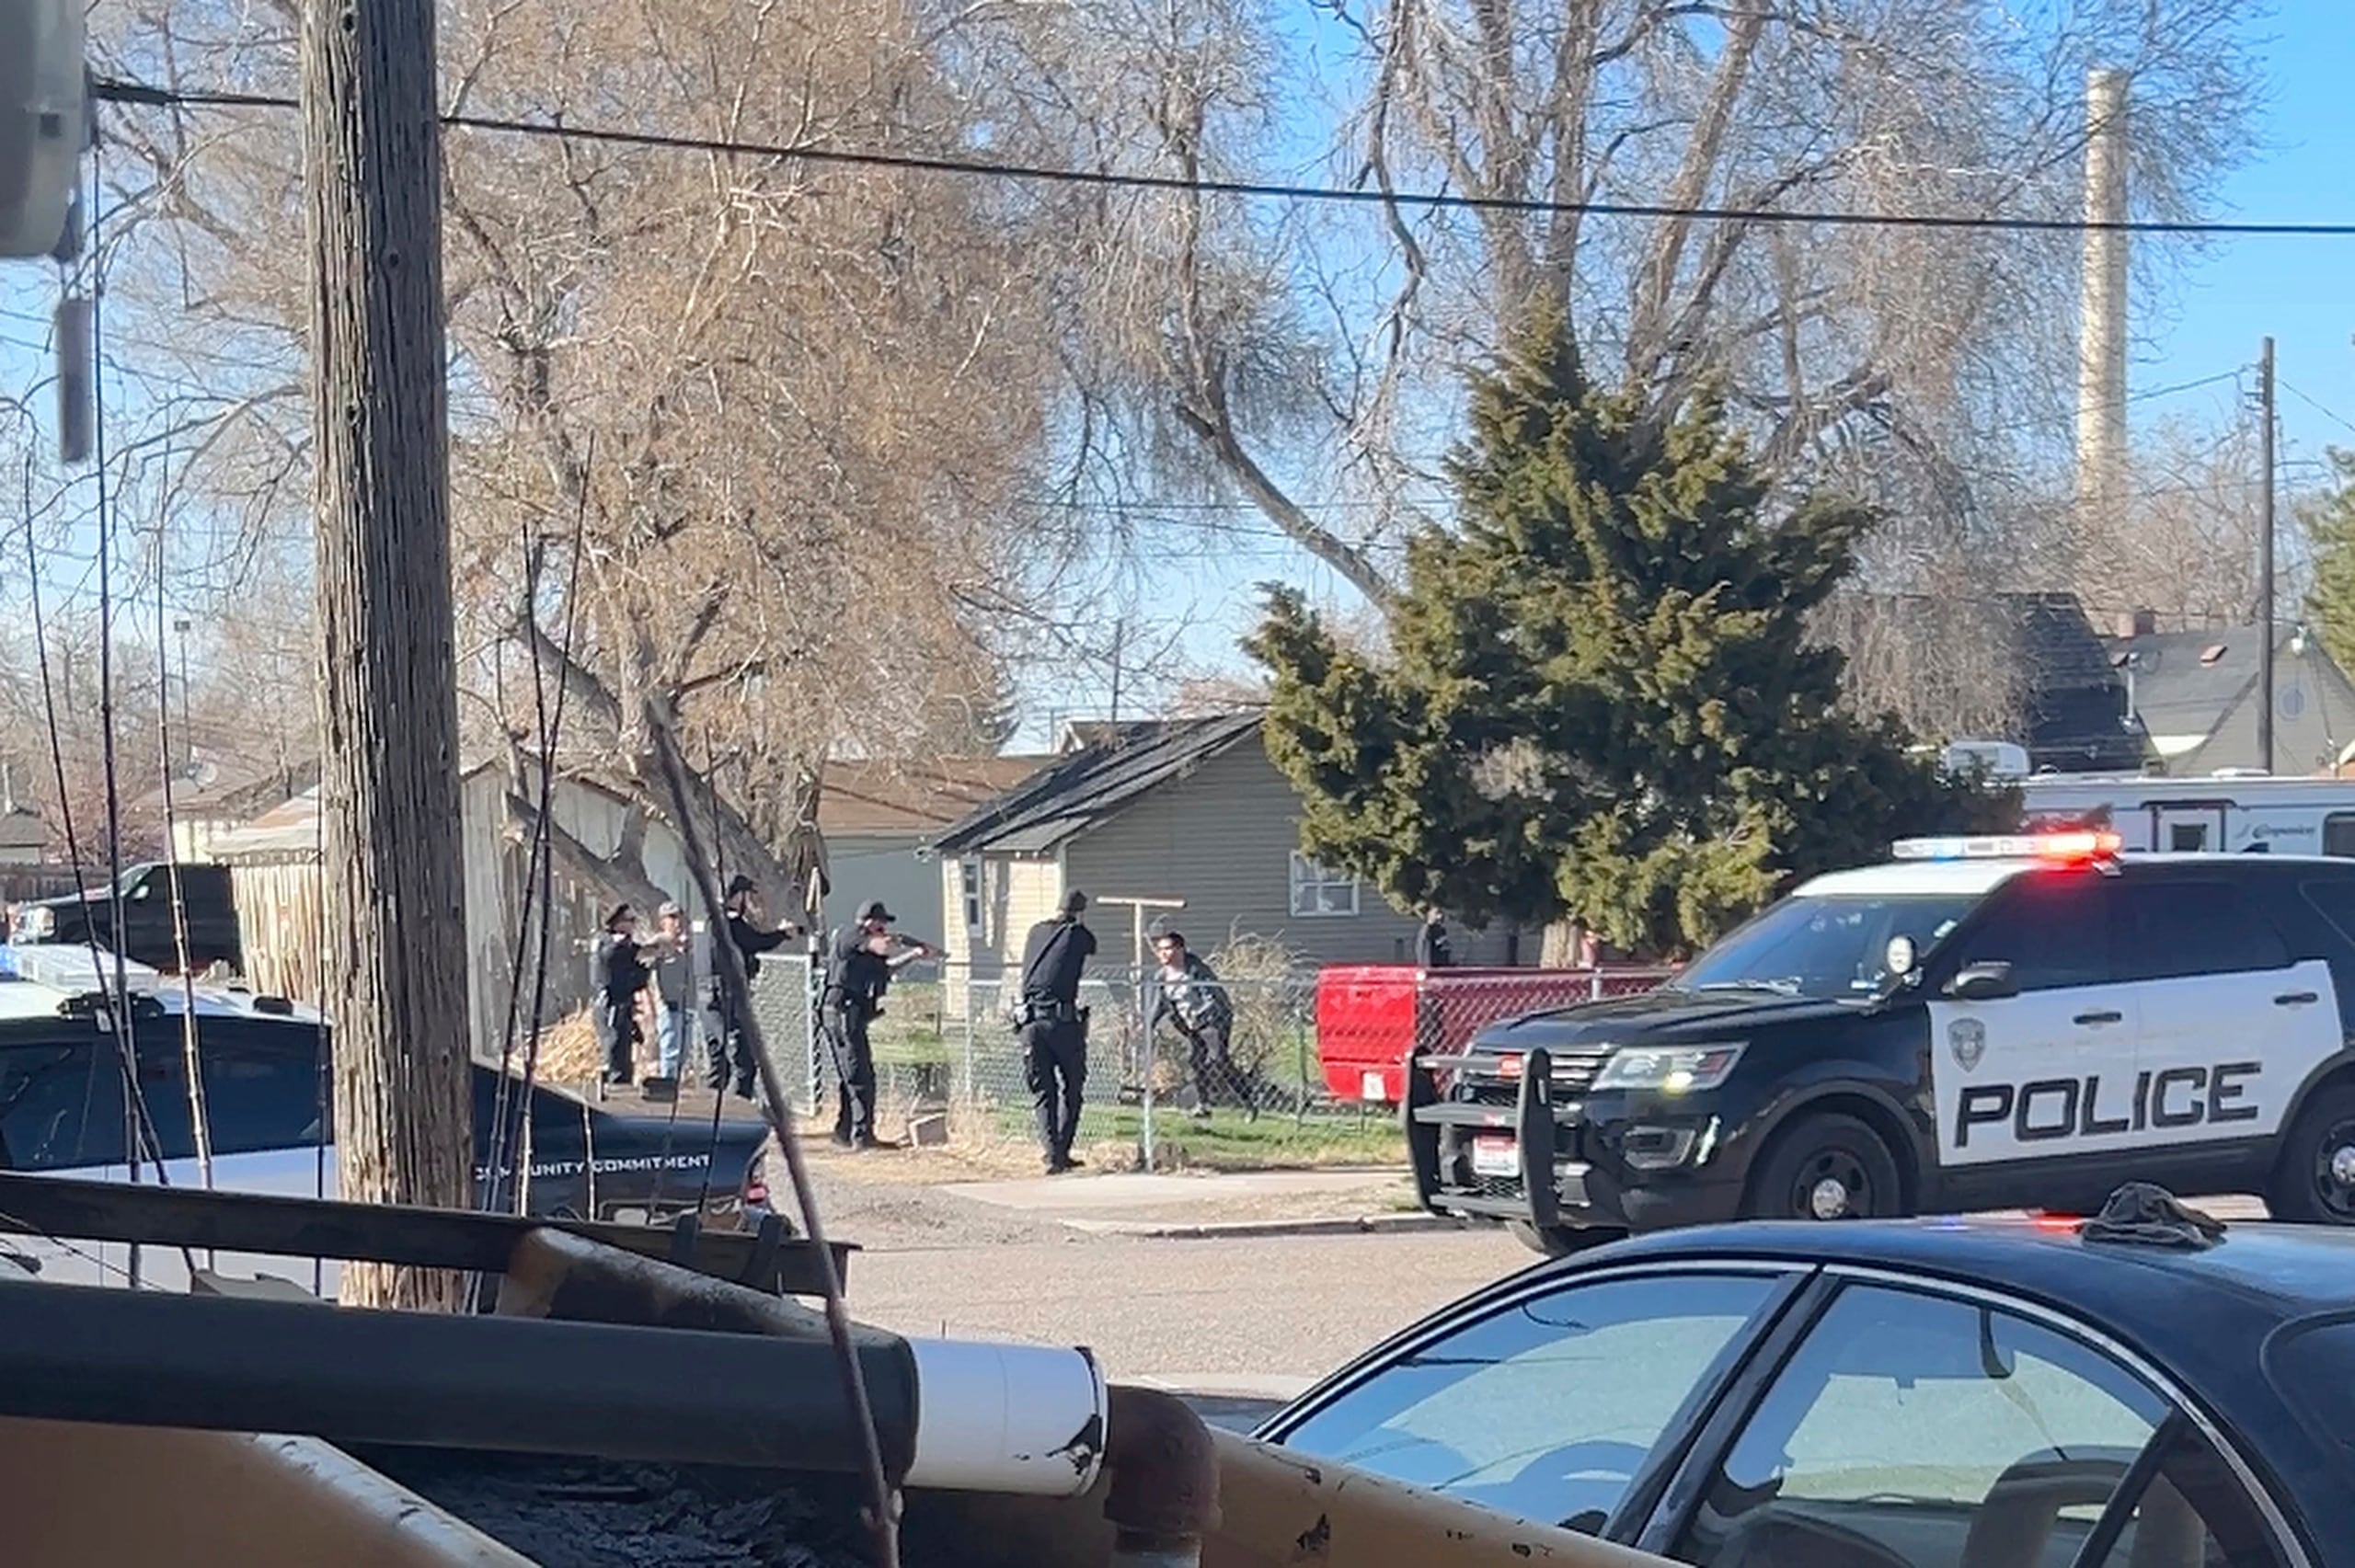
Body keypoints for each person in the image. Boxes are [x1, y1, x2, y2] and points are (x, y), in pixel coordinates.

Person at [822, 899, 936, 1149]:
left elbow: (886, 968)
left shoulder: (867, 951)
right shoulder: (851, 936)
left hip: (848, 1013)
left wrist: (915, 954)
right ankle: (862, 1137)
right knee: (858, 1076)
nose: (883, 928)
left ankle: (846, 1131)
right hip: (843, 1012)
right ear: (870, 921)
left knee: (853, 1075)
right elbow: (881, 947)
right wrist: (897, 940)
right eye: (881, 923)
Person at [1016, 887, 1097, 1173]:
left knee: (1043, 1092)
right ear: (1080, 912)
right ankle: (1061, 1151)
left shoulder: (1035, 931)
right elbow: (1091, 945)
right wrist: (1080, 922)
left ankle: (1052, 1154)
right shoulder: (1076, 934)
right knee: (1072, 1088)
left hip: (1029, 1023)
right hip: (1061, 1023)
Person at [700, 874, 802, 1100]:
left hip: (706, 998)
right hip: (724, 997)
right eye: (747, 896)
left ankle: (706, 1116)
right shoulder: (728, 925)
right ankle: (736, 1116)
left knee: (718, 1064)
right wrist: (783, 934)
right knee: (743, 1062)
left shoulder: (707, 924)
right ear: (738, 896)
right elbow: (755, 941)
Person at [1149, 930, 1249, 1120]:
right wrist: (1148, 1025)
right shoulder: (1161, 977)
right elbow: (1159, 1005)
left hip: (1214, 1020)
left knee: (1217, 1059)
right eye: (1159, 949)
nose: (1162, 953)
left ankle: (1247, 1098)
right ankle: (1202, 1106)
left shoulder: (1196, 969)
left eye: (1168, 949)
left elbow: (1211, 996)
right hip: (1191, 1026)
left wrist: (1206, 1017)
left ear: (1180, 949)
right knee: (1196, 1062)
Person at [592, 903, 651, 1086]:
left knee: (623, 1059)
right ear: (617, 922)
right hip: (611, 1006)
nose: (634, 925)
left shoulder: (620, 945)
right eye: (630, 920)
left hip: (621, 1006)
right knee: (615, 1060)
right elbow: (611, 964)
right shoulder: (608, 944)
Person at [646, 900, 696, 1081]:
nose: (678, 922)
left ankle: (676, 1085)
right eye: (672, 918)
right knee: (671, 1052)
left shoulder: (688, 944)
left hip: (688, 1004)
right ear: (663, 922)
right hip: (669, 1005)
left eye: (680, 917)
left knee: (683, 1053)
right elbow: (643, 963)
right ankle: (668, 1086)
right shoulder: (660, 942)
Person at [1416, 906, 1454, 970]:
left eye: (1441, 913)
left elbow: (1444, 947)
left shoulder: (1440, 930)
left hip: (1441, 967)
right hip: (1431, 966)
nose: (1440, 916)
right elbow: (1422, 949)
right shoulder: (1427, 930)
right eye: (1437, 913)